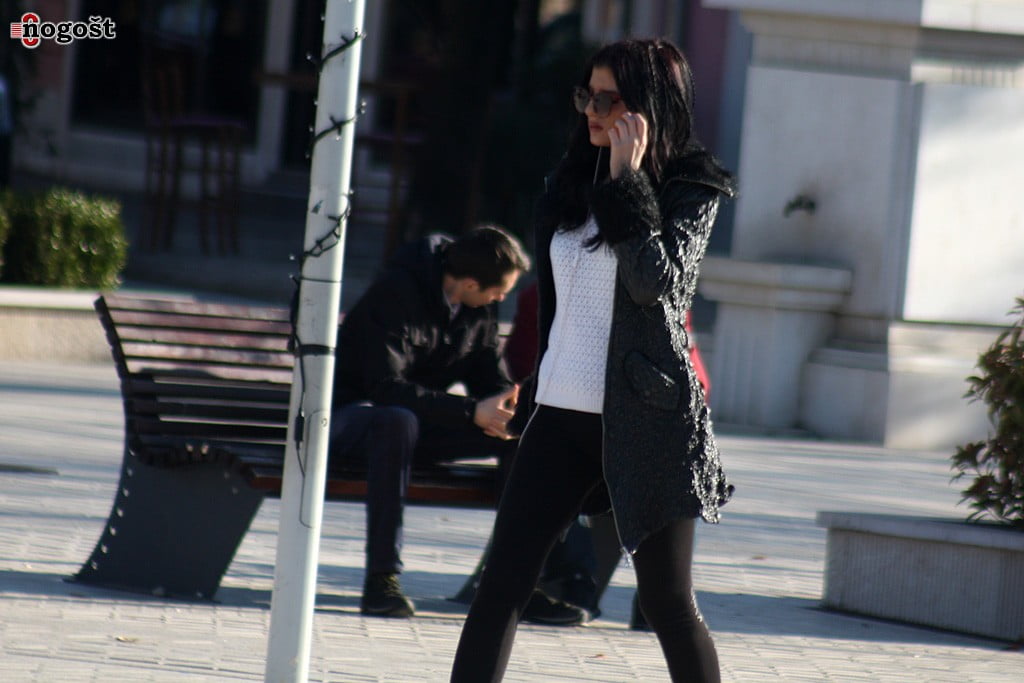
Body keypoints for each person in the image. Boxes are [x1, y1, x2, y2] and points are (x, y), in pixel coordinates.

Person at [450, 38, 736, 682]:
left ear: (651, 106)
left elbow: (655, 287)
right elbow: (562, 306)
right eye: (587, 96)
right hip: (559, 414)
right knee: (502, 587)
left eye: (609, 100)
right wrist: (530, 383)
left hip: (647, 420)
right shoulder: (570, 182)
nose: (591, 112)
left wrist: (628, 183)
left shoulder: (692, 188)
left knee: (667, 603)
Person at [329, 225, 528, 618]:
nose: (502, 299)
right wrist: (470, 412)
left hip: (420, 423)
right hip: (355, 421)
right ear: (469, 284)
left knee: (521, 436)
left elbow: (488, 374)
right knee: (397, 420)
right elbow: (384, 388)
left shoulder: (478, 305)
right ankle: (382, 581)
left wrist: (506, 408)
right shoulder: (395, 294)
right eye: (499, 291)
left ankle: (509, 583)